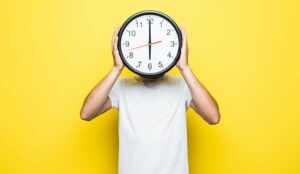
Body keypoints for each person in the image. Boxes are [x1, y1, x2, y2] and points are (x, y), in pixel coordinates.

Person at [80, 26, 221, 174]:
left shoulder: (182, 85)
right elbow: (86, 113)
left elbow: (213, 116)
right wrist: (116, 68)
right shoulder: (122, 86)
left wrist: (185, 68)